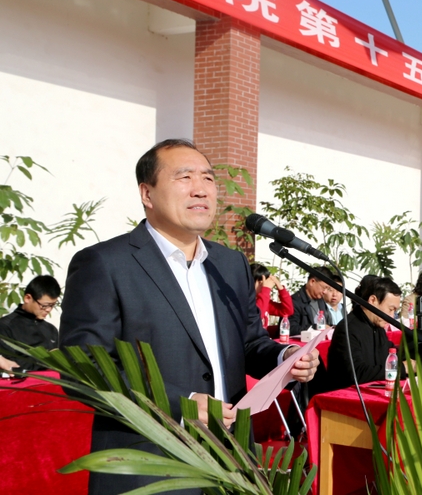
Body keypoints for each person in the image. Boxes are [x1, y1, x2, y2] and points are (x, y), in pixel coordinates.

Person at [59, 139, 319, 495]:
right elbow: (82, 369)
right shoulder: (105, 264)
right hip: (149, 465)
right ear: (147, 193)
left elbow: (249, 342)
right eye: (184, 177)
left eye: (208, 178)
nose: (201, 189)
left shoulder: (230, 265)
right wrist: (179, 406)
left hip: (232, 461)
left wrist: (284, 358)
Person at [326, 277, 407, 391]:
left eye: (395, 311)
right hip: (349, 396)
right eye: (390, 309)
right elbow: (356, 373)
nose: (392, 316)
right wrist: (402, 368)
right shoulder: (348, 329)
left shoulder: (377, 326)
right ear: (373, 300)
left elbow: (389, 353)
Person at [0, 275, 61, 371]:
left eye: (52, 305)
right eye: (44, 305)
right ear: (28, 298)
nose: (49, 310)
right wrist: (48, 361)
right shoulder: (5, 326)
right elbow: (11, 365)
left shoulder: (51, 330)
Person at [289, 266, 334, 335]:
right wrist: (315, 327)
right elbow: (291, 329)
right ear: (312, 282)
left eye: (328, 289)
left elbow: (327, 323)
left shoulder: (321, 301)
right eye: (324, 287)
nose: (325, 292)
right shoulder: (294, 301)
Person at [251, 263, 293, 327]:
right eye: (260, 282)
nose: (263, 285)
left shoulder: (265, 302)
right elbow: (256, 317)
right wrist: (265, 290)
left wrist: (280, 287)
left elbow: (287, 311)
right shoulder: (246, 302)